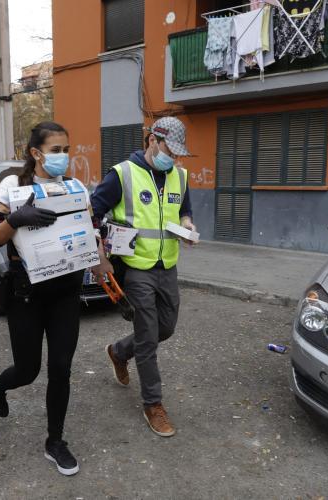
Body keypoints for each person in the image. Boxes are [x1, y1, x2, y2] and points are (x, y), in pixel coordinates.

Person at [0, 121, 102, 476]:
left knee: (61, 369)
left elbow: (90, 229)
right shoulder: (13, 186)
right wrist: (17, 219)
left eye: (66, 150)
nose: (63, 156)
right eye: (55, 150)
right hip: (27, 294)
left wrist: (100, 258)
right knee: (27, 370)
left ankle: (55, 441)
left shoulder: (75, 187)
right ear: (36, 153)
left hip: (66, 292)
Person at [90, 116, 196, 437]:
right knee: (148, 337)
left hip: (168, 265)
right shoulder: (122, 174)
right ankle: (153, 404)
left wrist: (188, 226)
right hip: (135, 267)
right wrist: (99, 256)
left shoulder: (179, 176)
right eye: (169, 151)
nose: (173, 159)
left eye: (177, 154)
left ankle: (119, 351)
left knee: (166, 327)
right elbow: (91, 213)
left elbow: (185, 211)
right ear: (152, 141)